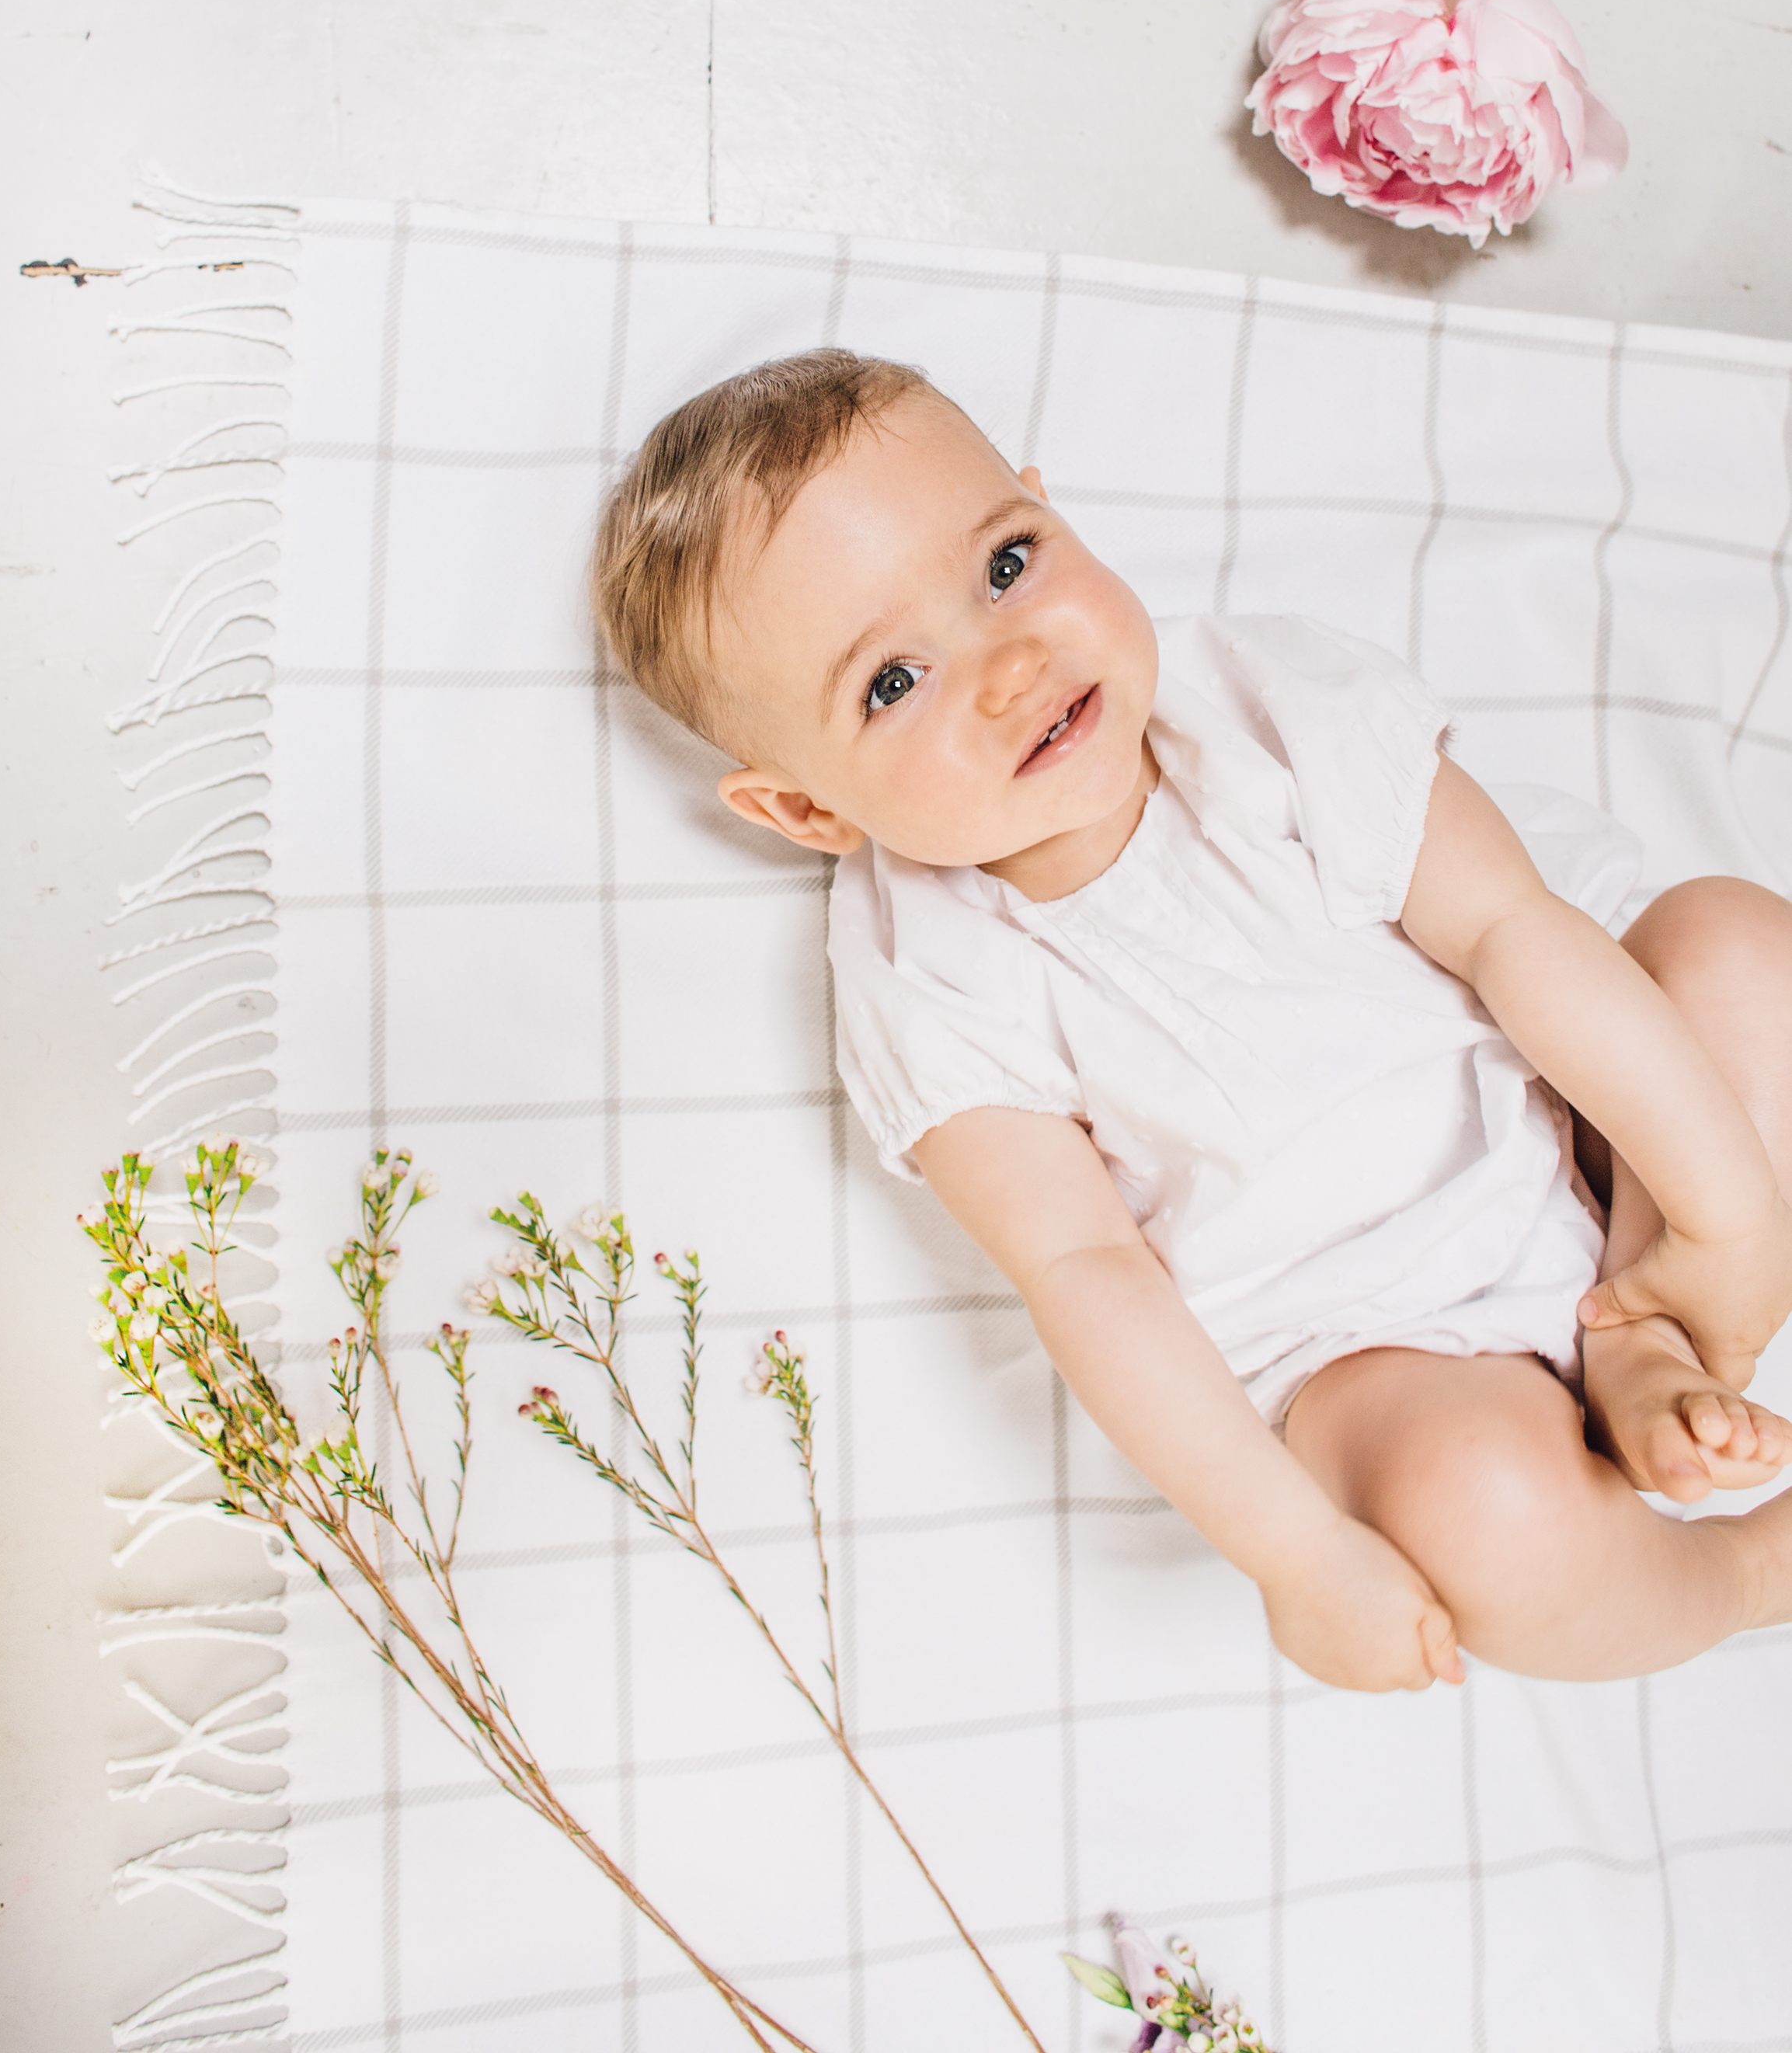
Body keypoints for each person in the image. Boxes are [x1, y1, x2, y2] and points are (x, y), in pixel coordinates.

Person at [592, 350, 1792, 1691]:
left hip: (1573, 1131)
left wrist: (1718, 1209)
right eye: (892, 681)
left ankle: (1652, 1330)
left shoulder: (1270, 708)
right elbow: (1086, 1274)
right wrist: (1296, 1558)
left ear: (1054, 512)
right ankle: (1740, 1576)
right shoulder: (924, 973)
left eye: (1006, 565)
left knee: (1738, 945)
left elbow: (1513, 932)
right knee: (1480, 1518)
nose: (1011, 660)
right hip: (1364, 1350)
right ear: (807, 813)